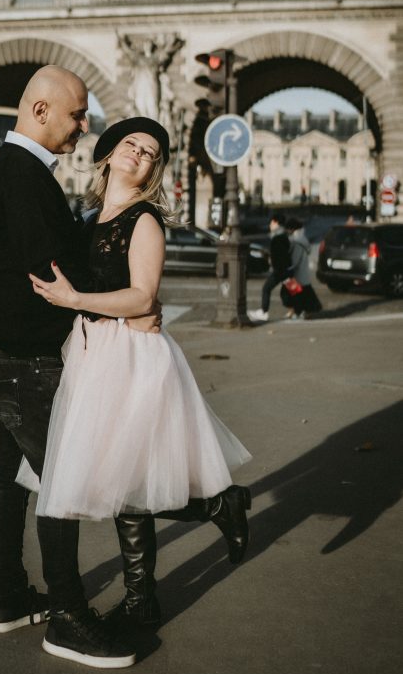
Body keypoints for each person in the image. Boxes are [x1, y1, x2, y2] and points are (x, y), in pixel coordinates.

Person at [17, 117, 252, 632]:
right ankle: (205, 522)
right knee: (118, 482)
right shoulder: (88, 218)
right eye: (132, 146)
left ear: (153, 171)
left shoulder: (145, 220)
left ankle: (195, 533)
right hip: (93, 353)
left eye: (150, 153)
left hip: (130, 354)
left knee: (125, 482)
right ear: (106, 155)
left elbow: (143, 296)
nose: (140, 156)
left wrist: (78, 300)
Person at [0, 66, 155, 670]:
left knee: (11, 472)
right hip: (20, 355)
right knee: (59, 482)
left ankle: (9, 598)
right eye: (76, 114)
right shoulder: (23, 177)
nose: (84, 126)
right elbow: (52, 270)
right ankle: (68, 618)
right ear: (41, 111)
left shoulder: (17, 171)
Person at [248, 212, 292, 322]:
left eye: (271, 223)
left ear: (276, 222)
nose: (270, 225)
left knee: (267, 288)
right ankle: (298, 310)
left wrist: (272, 260)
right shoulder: (282, 235)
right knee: (290, 291)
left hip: (281, 270)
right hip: (285, 269)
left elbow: (281, 254)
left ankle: (264, 311)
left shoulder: (279, 236)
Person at [282, 217, 323, 319]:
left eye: (288, 229)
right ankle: (299, 312)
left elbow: (295, 259)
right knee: (303, 294)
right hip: (303, 273)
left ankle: (298, 312)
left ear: (292, 229)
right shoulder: (302, 239)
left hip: (296, 274)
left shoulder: (296, 242)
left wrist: (288, 268)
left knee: (289, 294)